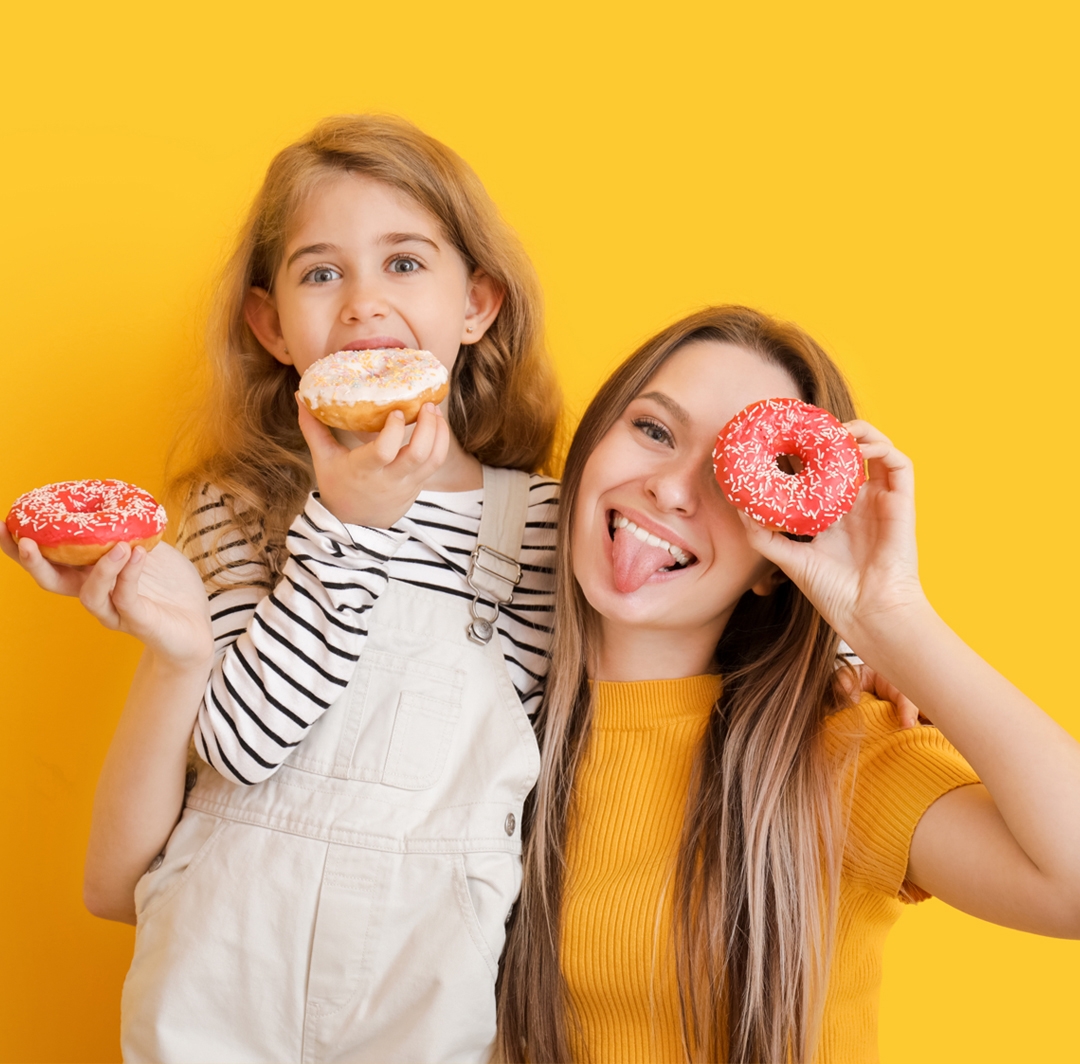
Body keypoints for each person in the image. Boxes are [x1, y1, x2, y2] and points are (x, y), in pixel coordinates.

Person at [2, 114, 563, 1063]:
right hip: (219, 976)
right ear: (271, 327)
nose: (361, 304)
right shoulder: (237, 512)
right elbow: (242, 746)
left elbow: (668, 655)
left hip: (425, 992)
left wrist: (837, 653)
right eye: (320, 272)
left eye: (404, 262)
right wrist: (344, 528)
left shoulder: (544, 529)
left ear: (478, 304)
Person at [494, 305, 1080, 1064]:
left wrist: (893, 621)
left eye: (724, 475)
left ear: (777, 560)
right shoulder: (482, 720)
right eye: (654, 430)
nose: (672, 490)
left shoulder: (836, 758)